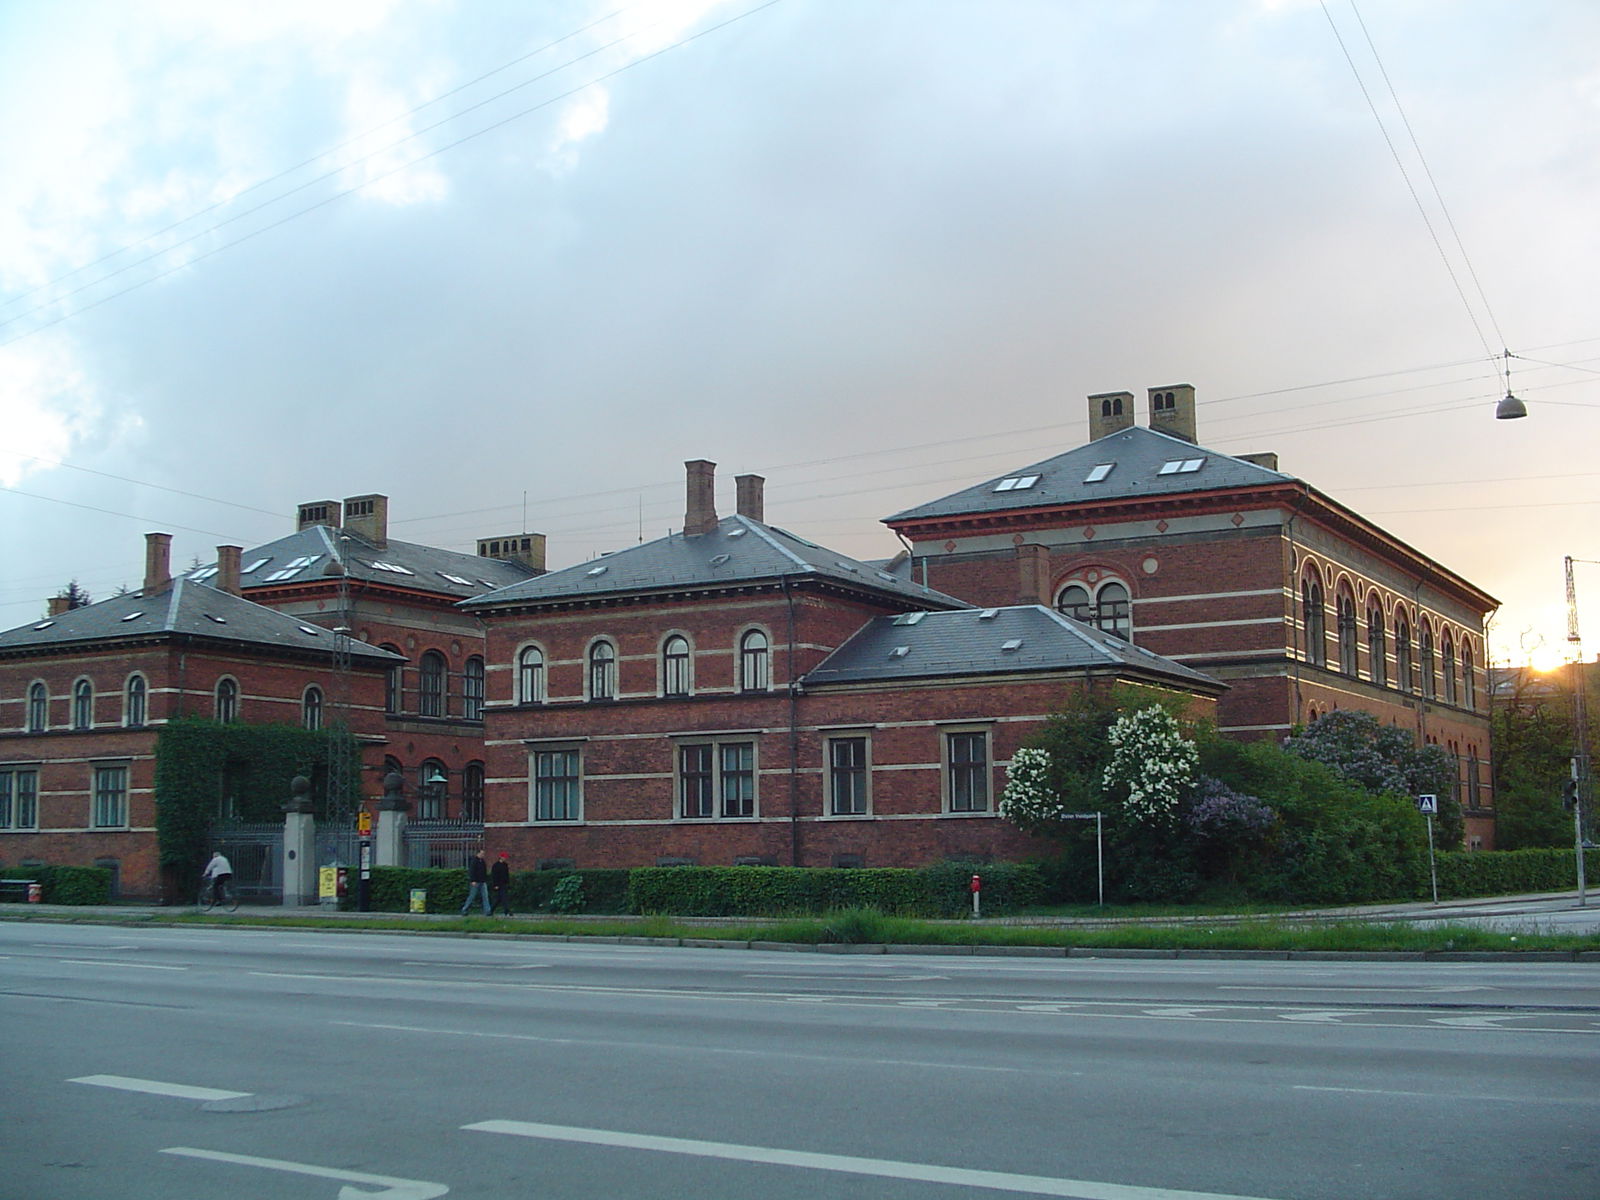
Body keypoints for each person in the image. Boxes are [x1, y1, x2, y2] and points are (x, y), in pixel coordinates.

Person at [461, 849, 490, 916]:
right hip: (476, 882)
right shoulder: (474, 861)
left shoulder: (482, 861)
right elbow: (472, 871)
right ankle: (464, 909)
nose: (483, 855)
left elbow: (484, 871)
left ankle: (487, 911)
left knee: (485, 896)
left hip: (482, 881)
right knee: (472, 896)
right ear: (478, 853)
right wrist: (473, 880)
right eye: (482, 853)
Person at [489, 851, 512, 917]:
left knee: (499, 898)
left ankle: (491, 910)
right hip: (498, 884)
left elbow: (506, 874)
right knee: (503, 897)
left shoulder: (505, 865)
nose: (505, 858)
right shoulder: (496, 865)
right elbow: (494, 876)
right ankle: (507, 910)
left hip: (504, 883)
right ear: (501, 857)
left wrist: (508, 882)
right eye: (504, 857)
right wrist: (495, 885)